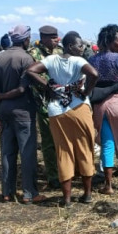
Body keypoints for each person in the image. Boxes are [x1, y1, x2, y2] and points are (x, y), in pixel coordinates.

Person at [26, 31, 99, 207]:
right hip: (79, 108)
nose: (82, 48)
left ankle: (66, 199)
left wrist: (47, 87)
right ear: (69, 46)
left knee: (63, 152)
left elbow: (30, 71)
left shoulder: (51, 60)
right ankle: (87, 194)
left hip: (56, 110)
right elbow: (94, 74)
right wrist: (86, 92)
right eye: (79, 45)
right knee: (85, 149)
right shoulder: (78, 61)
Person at [0, 25, 41, 203]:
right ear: (26, 40)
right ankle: (30, 193)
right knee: (27, 153)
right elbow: (22, 89)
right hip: (23, 112)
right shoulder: (27, 59)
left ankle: (7, 192)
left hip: (4, 111)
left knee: (7, 153)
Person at [88, 24, 118, 194]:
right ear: (110, 41)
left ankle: (108, 186)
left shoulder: (92, 60)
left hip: (100, 105)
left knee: (107, 144)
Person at [28, 25, 63, 189]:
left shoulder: (59, 52)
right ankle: (53, 175)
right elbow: (33, 75)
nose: (57, 39)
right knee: (49, 140)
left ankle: (64, 170)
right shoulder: (34, 53)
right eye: (53, 37)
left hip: (62, 101)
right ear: (43, 38)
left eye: (57, 36)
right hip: (44, 102)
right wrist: (48, 87)